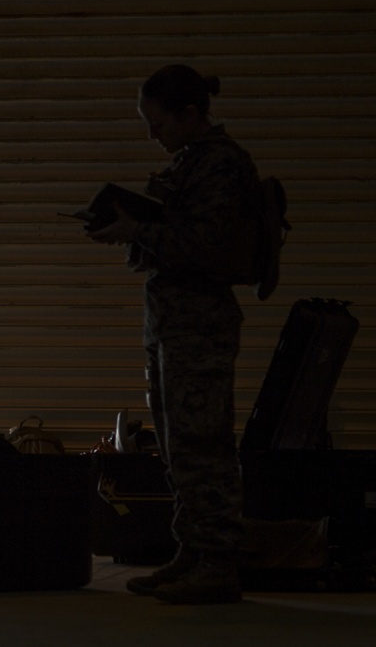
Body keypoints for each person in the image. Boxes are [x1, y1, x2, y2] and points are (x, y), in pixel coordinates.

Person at [87, 65, 258, 604]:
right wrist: (134, 232)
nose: (151, 135)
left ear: (189, 115)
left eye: (157, 123)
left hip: (199, 329)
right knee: (178, 449)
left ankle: (217, 561)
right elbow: (177, 238)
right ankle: (191, 552)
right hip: (173, 325)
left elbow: (207, 248)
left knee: (203, 447)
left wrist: (139, 230)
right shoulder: (191, 164)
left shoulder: (221, 165)